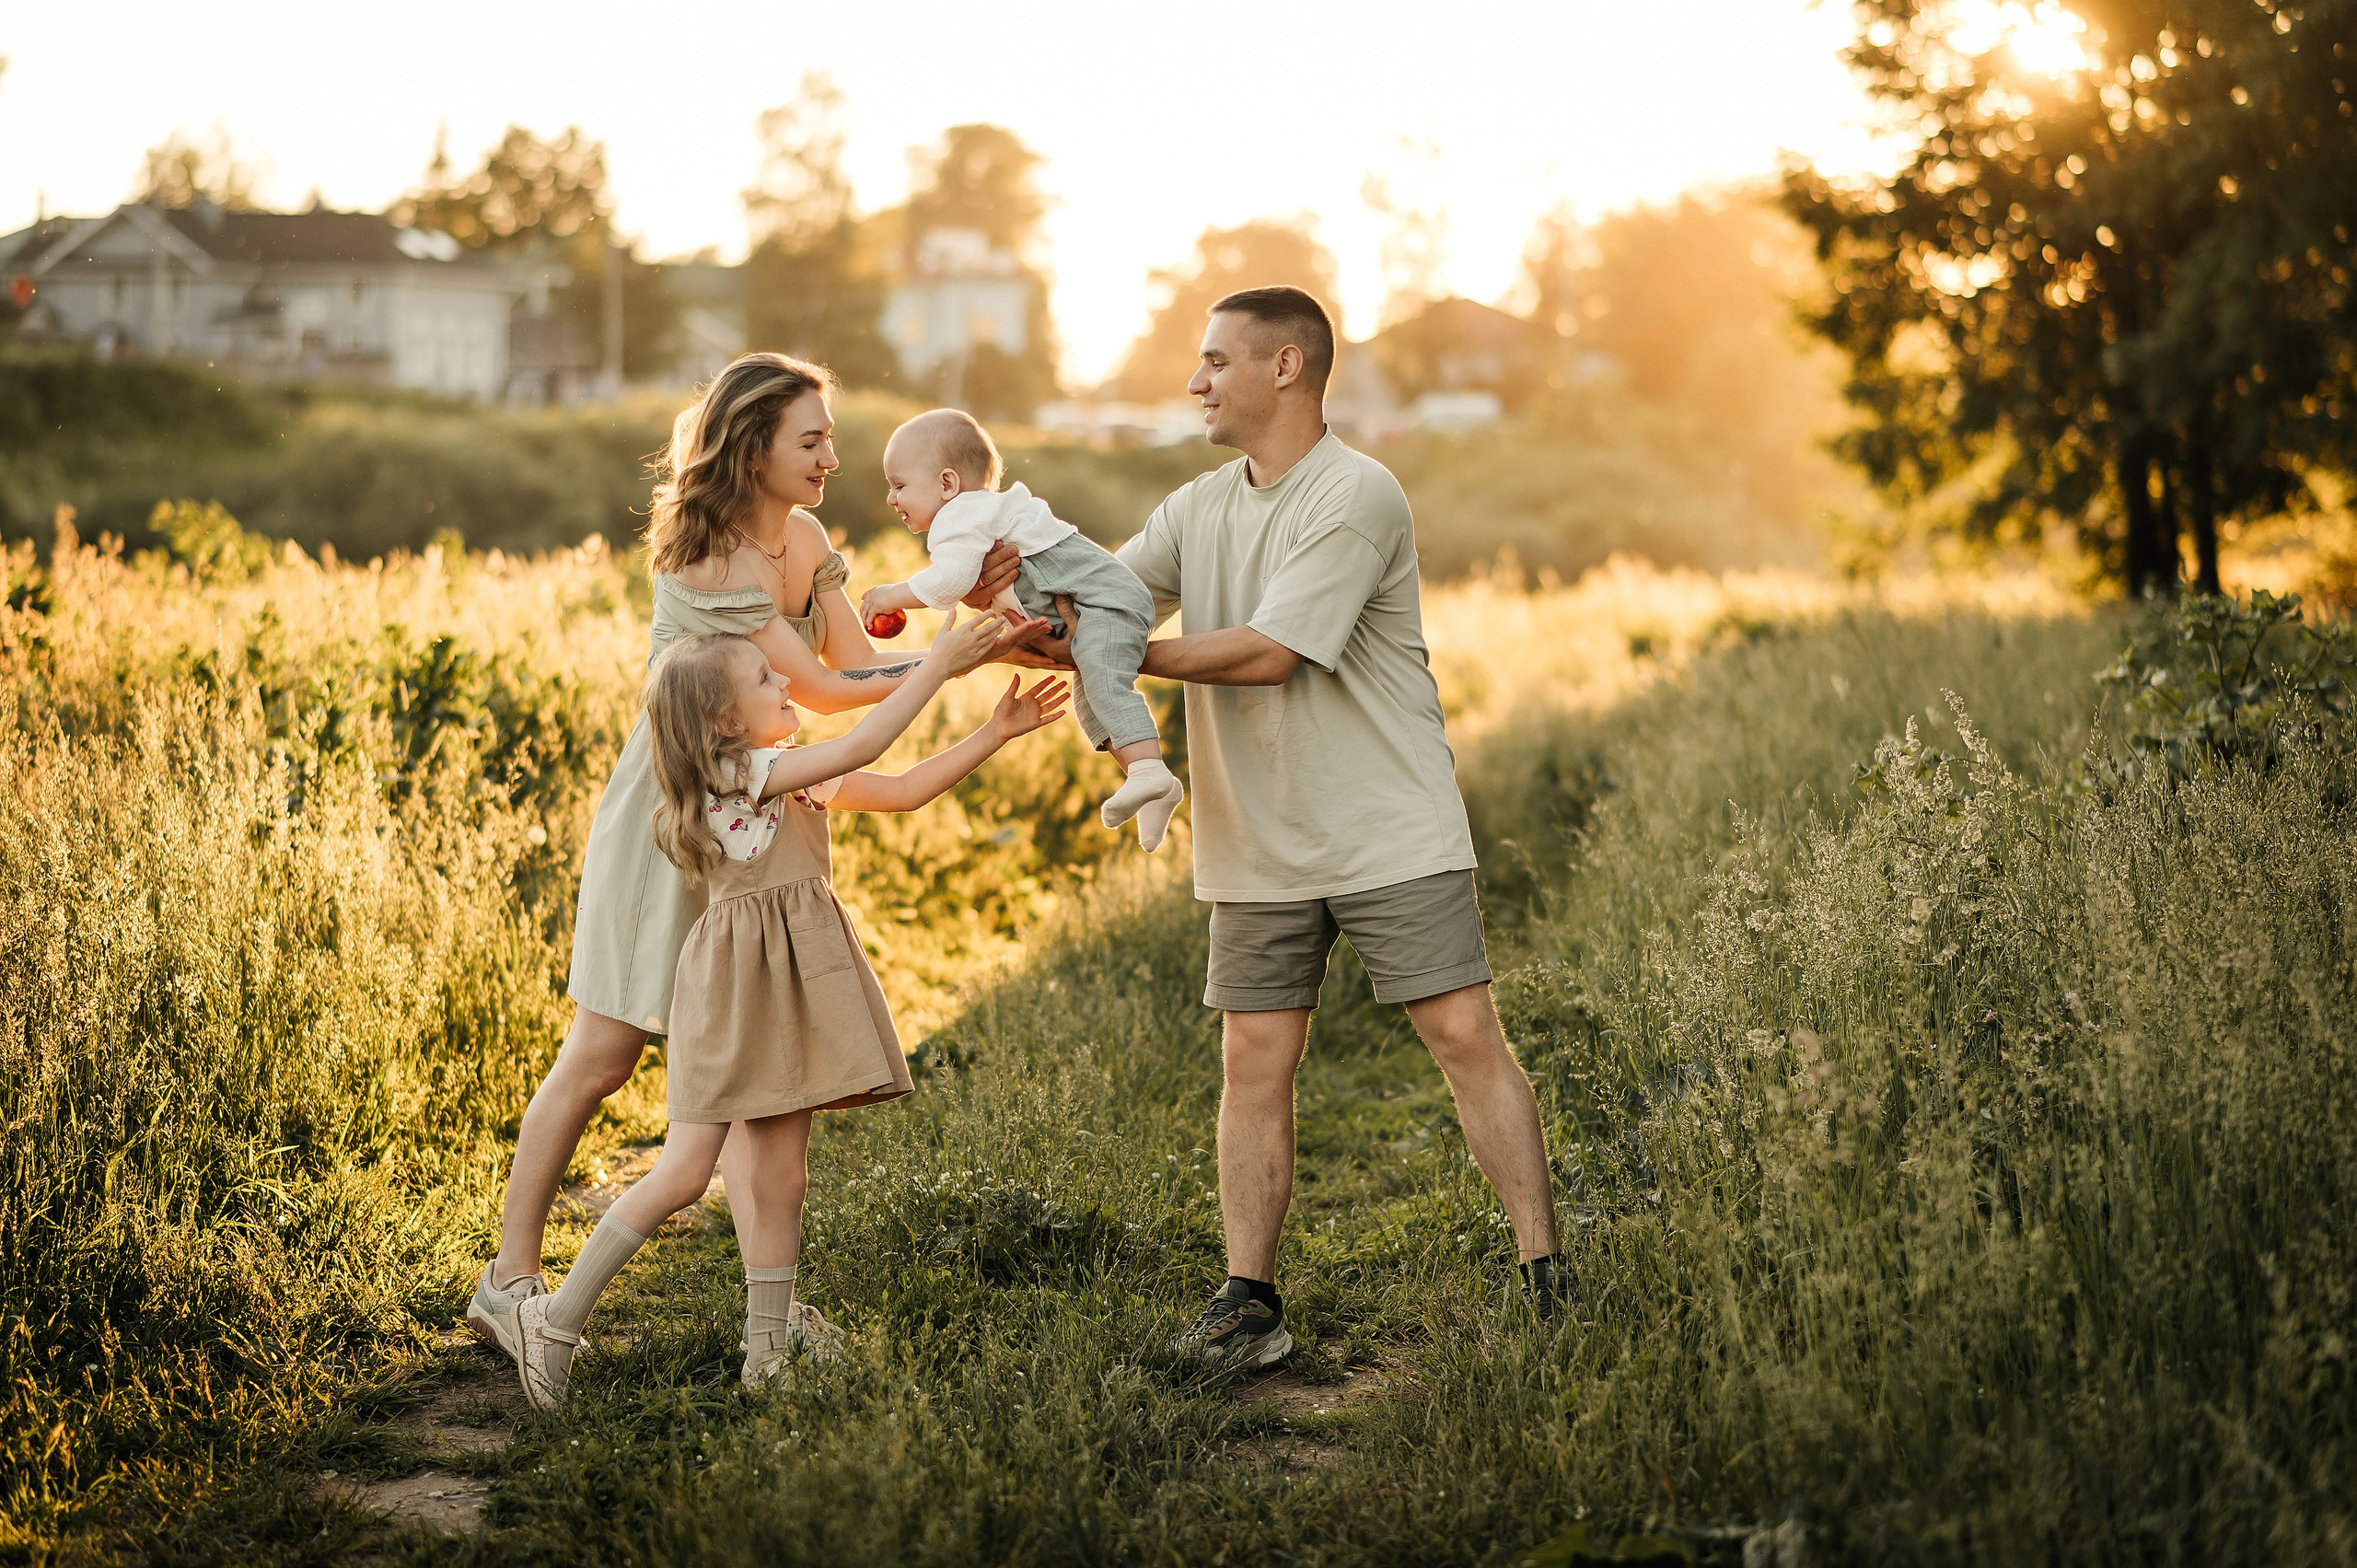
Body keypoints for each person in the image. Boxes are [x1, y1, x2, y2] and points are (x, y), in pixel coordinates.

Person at [975, 286, 1568, 1366]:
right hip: (1257, 840)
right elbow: (1105, 598)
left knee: (1463, 1037)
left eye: (1212, 361)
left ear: (1284, 366)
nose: (1194, 381)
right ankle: (1250, 1302)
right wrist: (1009, 606)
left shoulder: (1358, 493)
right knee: (1252, 1061)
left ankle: (1544, 1272)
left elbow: (1268, 650)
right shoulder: (1196, 507)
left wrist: (1117, 652)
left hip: (1388, 824)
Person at [468, 353, 1036, 1365]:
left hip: (760, 809)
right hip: (680, 811)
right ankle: (507, 1282)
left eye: (828, 437)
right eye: (810, 441)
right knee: (603, 1051)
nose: (832, 458)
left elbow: (861, 663)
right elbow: (820, 688)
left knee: (759, 1080)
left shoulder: (807, 537)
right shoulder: (710, 559)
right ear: (751, 447)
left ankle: (766, 1323)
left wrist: (963, 625)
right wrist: (956, 656)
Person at [512, 619, 1070, 1404]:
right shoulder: (746, 773)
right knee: (683, 1169)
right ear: (726, 722)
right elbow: (865, 746)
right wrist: (936, 666)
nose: (788, 687)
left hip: (789, 981)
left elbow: (903, 790)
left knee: (781, 1169)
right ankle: (557, 1320)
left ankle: (767, 1350)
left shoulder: (786, 768)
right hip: (734, 989)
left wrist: (994, 732)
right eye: (769, 680)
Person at [858, 409, 1184, 851]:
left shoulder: (961, 514)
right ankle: (1153, 785)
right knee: (1089, 700)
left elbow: (950, 581)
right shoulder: (975, 516)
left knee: (1103, 679)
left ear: (948, 485)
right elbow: (971, 583)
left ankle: (1148, 770)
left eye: (899, 485)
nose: (892, 498)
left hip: (1106, 601)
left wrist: (890, 596)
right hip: (1092, 608)